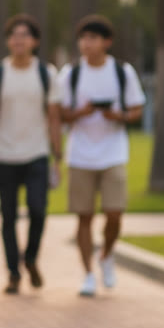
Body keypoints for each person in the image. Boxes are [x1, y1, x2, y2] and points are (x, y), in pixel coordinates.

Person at [57, 15, 146, 297]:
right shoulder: (70, 75)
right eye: (83, 38)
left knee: (114, 214)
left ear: (107, 42)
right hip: (80, 155)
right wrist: (79, 113)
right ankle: (87, 274)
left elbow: (137, 110)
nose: (86, 44)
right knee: (83, 217)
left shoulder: (122, 72)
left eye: (93, 38)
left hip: (113, 153)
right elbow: (58, 114)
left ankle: (106, 255)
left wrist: (117, 116)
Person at [0, 14, 63, 295]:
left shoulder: (46, 73)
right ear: (8, 41)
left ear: (35, 41)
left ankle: (30, 259)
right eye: (14, 35)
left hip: (37, 154)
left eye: (25, 35)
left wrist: (58, 160)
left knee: (39, 211)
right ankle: (13, 273)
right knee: (8, 217)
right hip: (5, 155)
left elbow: (54, 118)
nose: (19, 39)